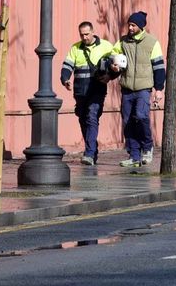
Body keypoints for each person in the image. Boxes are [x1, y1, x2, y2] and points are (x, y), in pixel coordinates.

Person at [60, 21, 120, 166]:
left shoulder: (106, 46)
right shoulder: (75, 48)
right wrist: (65, 79)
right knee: (83, 119)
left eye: (87, 34)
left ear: (92, 32)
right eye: (82, 35)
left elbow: (118, 65)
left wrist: (110, 76)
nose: (84, 37)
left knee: (92, 117)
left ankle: (89, 153)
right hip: (80, 91)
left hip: (97, 90)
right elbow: (67, 65)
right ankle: (92, 150)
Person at [118, 11, 166, 168]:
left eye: (133, 25)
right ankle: (134, 155)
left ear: (141, 26)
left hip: (143, 89)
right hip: (126, 88)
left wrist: (159, 89)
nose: (130, 28)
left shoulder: (152, 42)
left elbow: (159, 68)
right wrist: (113, 66)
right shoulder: (123, 42)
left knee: (141, 116)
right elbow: (113, 57)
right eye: (129, 25)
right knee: (127, 121)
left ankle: (147, 147)